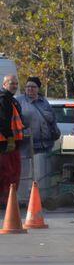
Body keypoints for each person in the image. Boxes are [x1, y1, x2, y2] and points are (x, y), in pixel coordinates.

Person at [16, 77, 60, 154]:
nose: (30, 88)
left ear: (38, 88)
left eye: (33, 87)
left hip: (46, 145)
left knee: (45, 166)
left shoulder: (44, 101)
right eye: (27, 86)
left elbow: (52, 119)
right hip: (28, 146)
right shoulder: (19, 101)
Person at [0, 75, 25, 204]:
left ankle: (9, 200)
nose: (14, 86)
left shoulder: (11, 99)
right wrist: (10, 138)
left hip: (12, 143)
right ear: (4, 84)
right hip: (5, 143)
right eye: (11, 83)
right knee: (8, 173)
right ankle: (6, 201)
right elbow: (3, 121)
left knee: (12, 173)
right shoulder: (4, 99)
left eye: (16, 84)